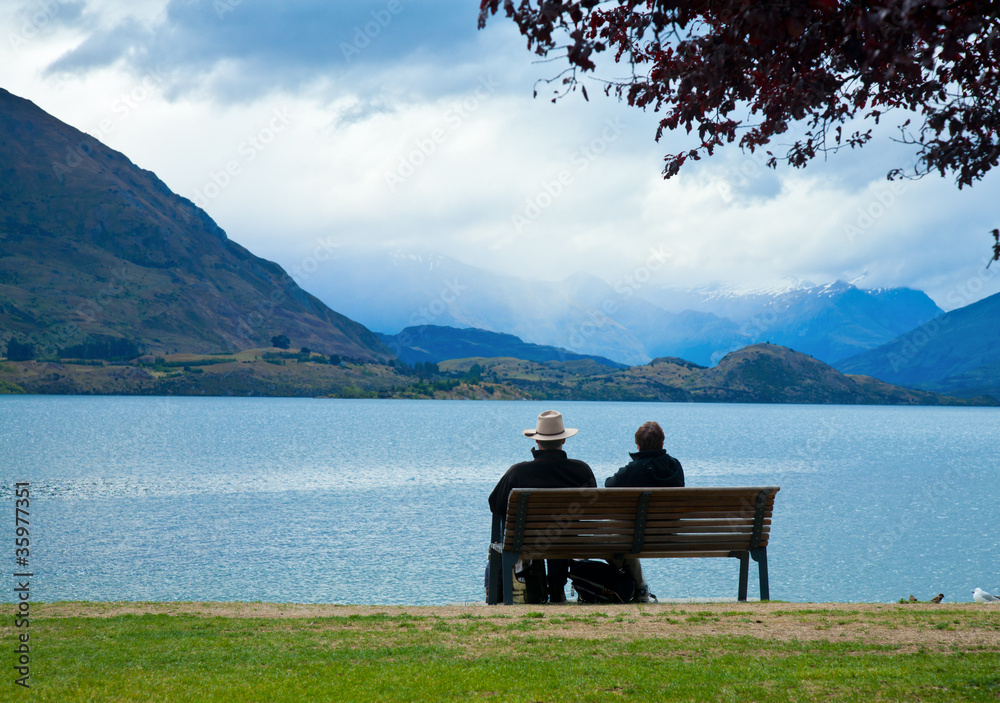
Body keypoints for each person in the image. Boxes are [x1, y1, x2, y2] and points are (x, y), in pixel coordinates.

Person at [489, 409, 596, 603]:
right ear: (563, 440)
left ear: (536, 441)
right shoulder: (582, 470)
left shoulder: (518, 473)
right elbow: (592, 508)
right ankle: (556, 589)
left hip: (529, 542)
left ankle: (534, 589)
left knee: (542, 534)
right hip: (571, 542)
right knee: (561, 531)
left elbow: (495, 504)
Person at [605, 420, 685, 602]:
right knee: (625, 537)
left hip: (635, 535)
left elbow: (609, 485)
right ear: (662, 444)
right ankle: (640, 589)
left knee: (613, 537)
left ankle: (634, 586)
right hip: (669, 533)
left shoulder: (633, 470)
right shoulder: (675, 466)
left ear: (638, 445)